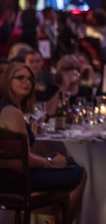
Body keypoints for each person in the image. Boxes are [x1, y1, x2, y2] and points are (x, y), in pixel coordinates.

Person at [0, 62, 86, 223]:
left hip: (7, 179)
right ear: (7, 82)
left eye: (29, 79)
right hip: (16, 182)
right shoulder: (13, 113)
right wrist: (49, 162)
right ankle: (63, 221)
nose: (27, 82)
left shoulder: (4, 108)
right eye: (20, 78)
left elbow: (19, 155)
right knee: (79, 173)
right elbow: (26, 159)